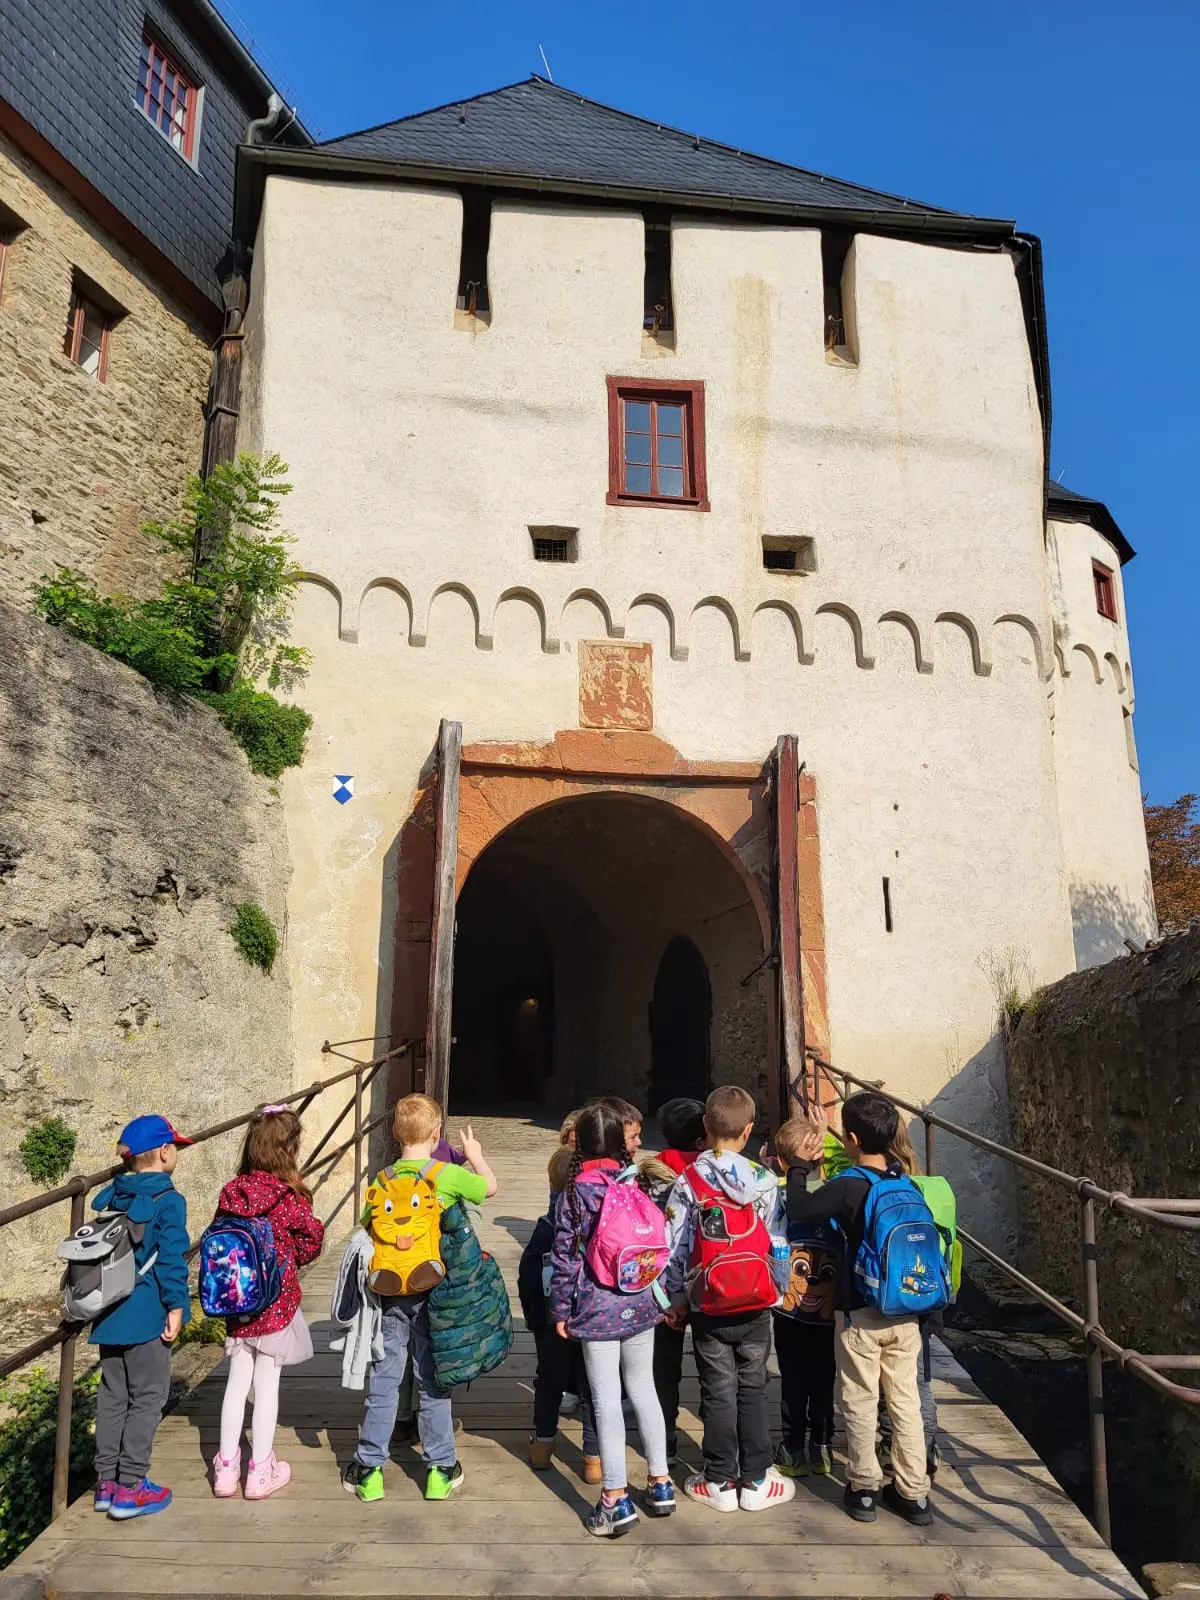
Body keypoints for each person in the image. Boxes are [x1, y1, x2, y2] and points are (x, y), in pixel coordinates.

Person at [786, 1092, 935, 1526]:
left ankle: (864, 1488)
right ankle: (914, 1493)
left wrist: (799, 1166)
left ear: (850, 1137)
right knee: (904, 1400)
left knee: (860, 1397)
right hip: (907, 1311)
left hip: (860, 1314)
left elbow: (801, 1209)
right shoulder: (904, 1182)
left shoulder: (848, 1185)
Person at [341, 1094, 498, 1504]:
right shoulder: (445, 1174)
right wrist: (476, 1156)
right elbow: (488, 1189)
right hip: (436, 1295)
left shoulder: (383, 1180)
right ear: (436, 1134)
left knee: (385, 1379)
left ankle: (369, 1469)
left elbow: (367, 1227)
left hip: (392, 1295)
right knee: (433, 1380)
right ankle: (440, 1469)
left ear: (394, 1134)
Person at [662, 1085, 795, 1513]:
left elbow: (676, 1245)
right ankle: (755, 1479)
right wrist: (776, 1290)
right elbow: (778, 1241)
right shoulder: (763, 1180)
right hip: (756, 1301)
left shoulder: (690, 1180)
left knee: (716, 1388)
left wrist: (676, 1298)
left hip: (707, 1302)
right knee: (754, 1385)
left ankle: (718, 1479)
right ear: (750, 1130)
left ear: (706, 1126)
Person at [549, 1102, 673, 1536]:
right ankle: (660, 1482)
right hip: (640, 1301)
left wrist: (561, 1310)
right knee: (644, 1389)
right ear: (623, 1142)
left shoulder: (575, 1191)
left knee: (604, 1401)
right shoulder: (634, 1181)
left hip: (596, 1307)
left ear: (578, 1143)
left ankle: (615, 1500)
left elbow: (564, 1258)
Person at [211, 1107, 326, 1500]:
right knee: (267, 1385)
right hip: (275, 1301)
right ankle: (260, 1470)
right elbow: (312, 1241)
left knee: (236, 1382)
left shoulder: (233, 1191)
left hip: (238, 1299)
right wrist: (290, 1253)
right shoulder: (289, 1196)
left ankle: (226, 1469)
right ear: (289, 1148)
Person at [90, 1114, 192, 1520]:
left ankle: (106, 1484)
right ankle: (132, 1486)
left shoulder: (112, 1195)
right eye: (176, 1148)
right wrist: (177, 1306)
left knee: (112, 1396)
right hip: (147, 1313)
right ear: (165, 1152)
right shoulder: (169, 1201)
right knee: (148, 1397)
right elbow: (170, 1260)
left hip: (108, 1311)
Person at [517, 1145, 600, 1482]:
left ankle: (543, 1446)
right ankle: (593, 1457)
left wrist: (534, 1317)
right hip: (589, 1314)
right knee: (593, 1385)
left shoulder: (547, 1226)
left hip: (552, 1318)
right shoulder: (594, 1223)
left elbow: (528, 1274)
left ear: (552, 1186)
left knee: (549, 1382)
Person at [768, 1117, 837, 1478]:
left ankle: (792, 1448)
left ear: (781, 1162)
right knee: (824, 1374)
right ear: (820, 1158)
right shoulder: (833, 1191)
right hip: (827, 1303)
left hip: (787, 1303)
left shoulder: (777, 1194)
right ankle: (822, 1446)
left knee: (792, 1376)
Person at [645, 1096, 706, 1464]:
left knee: (661, 1367)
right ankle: (717, 1440)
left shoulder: (649, 1175)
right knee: (711, 1363)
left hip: (661, 1288)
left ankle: (664, 1436)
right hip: (709, 1283)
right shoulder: (716, 1173)